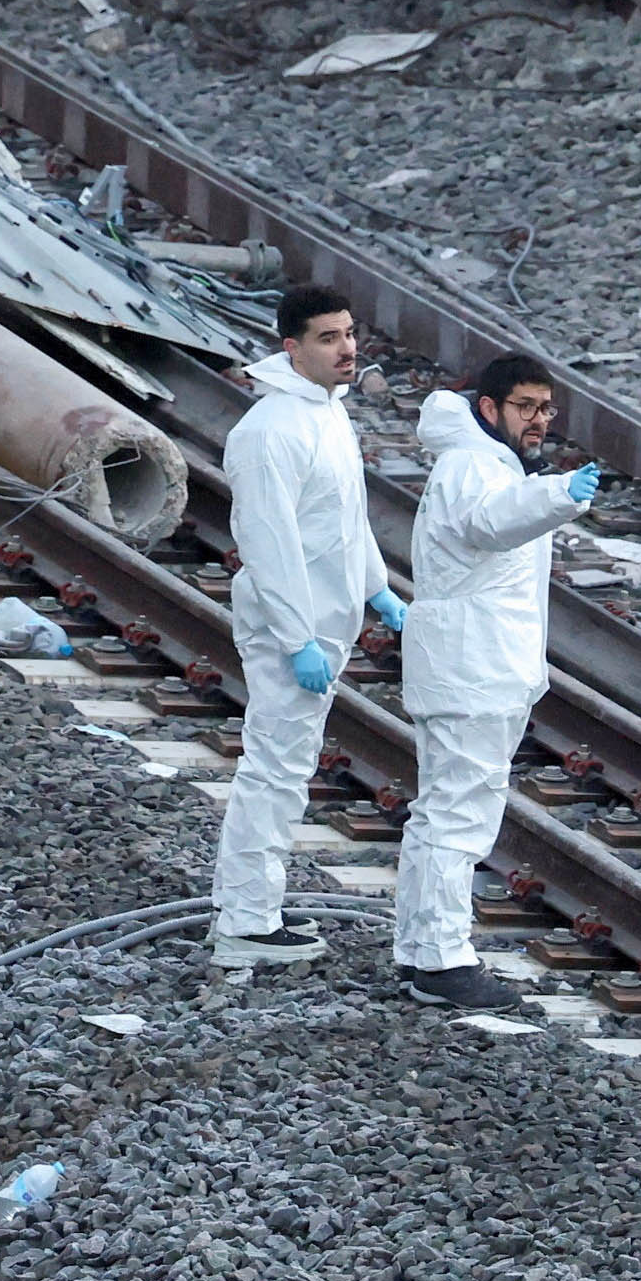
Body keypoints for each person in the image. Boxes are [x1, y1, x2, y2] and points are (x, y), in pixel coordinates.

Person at [394, 356, 600, 1014]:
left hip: (472, 666)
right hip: (472, 669)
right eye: (526, 407)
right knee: (460, 812)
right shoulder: (474, 467)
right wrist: (561, 493)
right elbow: (492, 521)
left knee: (442, 810)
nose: (540, 421)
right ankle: (445, 960)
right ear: (489, 408)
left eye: (547, 408)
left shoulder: (489, 462)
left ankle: (422, 949)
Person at [214, 282, 383, 973]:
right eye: (328, 337)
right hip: (296, 625)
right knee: (275, 770)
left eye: (348, 334)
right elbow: (269, 540)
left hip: (324, 617)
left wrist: (378, 591)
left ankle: (250, 905)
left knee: (287, 765)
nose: (347, 348)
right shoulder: (268, 431)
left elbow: (344, 517)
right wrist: (295, 638)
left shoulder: (328, 414)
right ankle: (248, 920)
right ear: (291, 347)